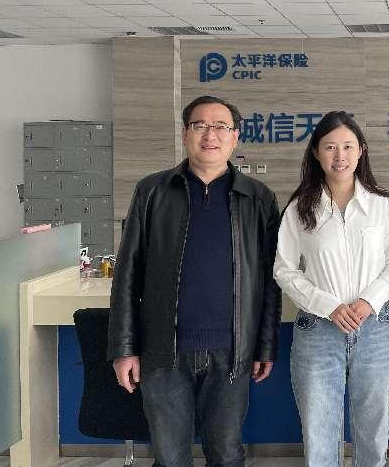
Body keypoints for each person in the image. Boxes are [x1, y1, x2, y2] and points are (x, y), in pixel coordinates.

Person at [108, 95, 281, 467]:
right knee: (170, 457)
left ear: (235, 137)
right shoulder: (152, 191)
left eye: (220, 127)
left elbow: (269, 281)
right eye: (200, 125)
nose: (210, 135)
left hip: (232, 351)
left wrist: (264, 347)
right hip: (163, 351)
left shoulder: (258, 198)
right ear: (185, 133)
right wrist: (124, 349)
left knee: (227, 454)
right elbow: (127, 274)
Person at [274, 111, 389, 467]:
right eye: (330, 147)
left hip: (374, 327)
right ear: (316, 153)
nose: (340, 155)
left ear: (361, 151)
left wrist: (368, 301)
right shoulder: (299, 208)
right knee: (319, 430)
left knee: (373, 429)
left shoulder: (383, 205)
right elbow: (284, 269)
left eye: (348, 146)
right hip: (318, 329)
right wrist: (328, 305)